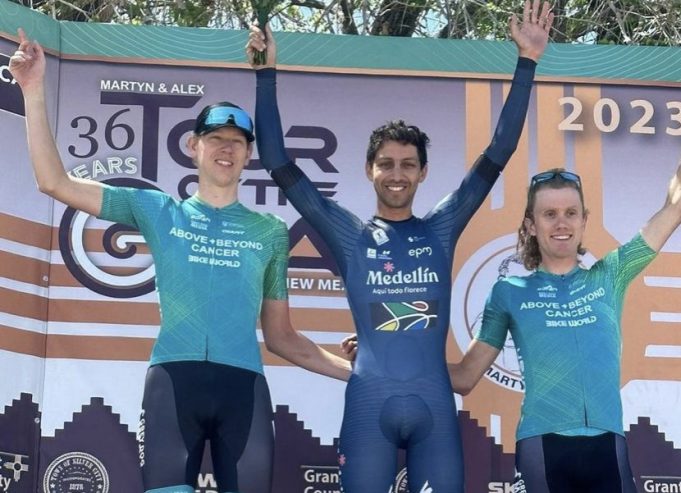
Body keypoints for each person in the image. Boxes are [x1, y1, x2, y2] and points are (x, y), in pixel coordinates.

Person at [9, 28, 351, 493]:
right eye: (215, 138)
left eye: (237, 141)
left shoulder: (269, 231)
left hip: (244, 391)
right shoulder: (157, 209)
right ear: (194, 146)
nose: (226, 148)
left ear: (249, 153)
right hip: (173, 385)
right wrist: (32, 89)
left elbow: (282, 337)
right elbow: (55, 182)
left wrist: (358, 374)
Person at [246, 1, 553, 491]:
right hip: (369, 406)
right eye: (386, 164)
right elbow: (278, 162)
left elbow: (499, 152)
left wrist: (527, 62)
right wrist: (266, 75)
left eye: (408, 164)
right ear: (369, 170)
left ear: (423, 172)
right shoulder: (349, 234)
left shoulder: (442, 227)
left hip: (435, 410)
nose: (397, 174)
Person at [448, 166, 681, 492]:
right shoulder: (509, 292)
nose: (561, 223)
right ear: (531, 225)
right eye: (549, 214)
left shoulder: (609, 276)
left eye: (571, 213)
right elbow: (464, 376)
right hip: (542, 447)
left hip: (607, 445)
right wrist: (391, 362)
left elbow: (673, 210)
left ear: (584, 220)